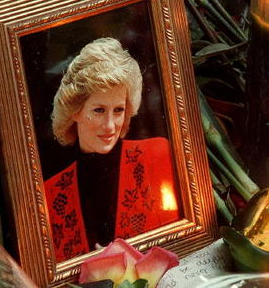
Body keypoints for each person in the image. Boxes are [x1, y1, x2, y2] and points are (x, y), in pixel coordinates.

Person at [44, 38, 179, 262]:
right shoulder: (51, 194)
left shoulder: (157, 155)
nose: (110, 126)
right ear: (75, 111)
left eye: (118, 110)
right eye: (98, 110)